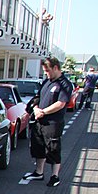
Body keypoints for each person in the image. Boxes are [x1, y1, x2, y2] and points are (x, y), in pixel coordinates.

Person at [23, 57, 73, 187]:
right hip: (40, 120)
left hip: (53, 122)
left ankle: (54, 176)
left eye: (47, 71)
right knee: (38, 146)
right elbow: (38, 97)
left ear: (55, 68)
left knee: (53, 148)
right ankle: (39, 172)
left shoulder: (64, 84)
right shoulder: (47, 82)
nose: (46, 73)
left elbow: (60, 103)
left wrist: (44, 112)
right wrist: (35, 108)